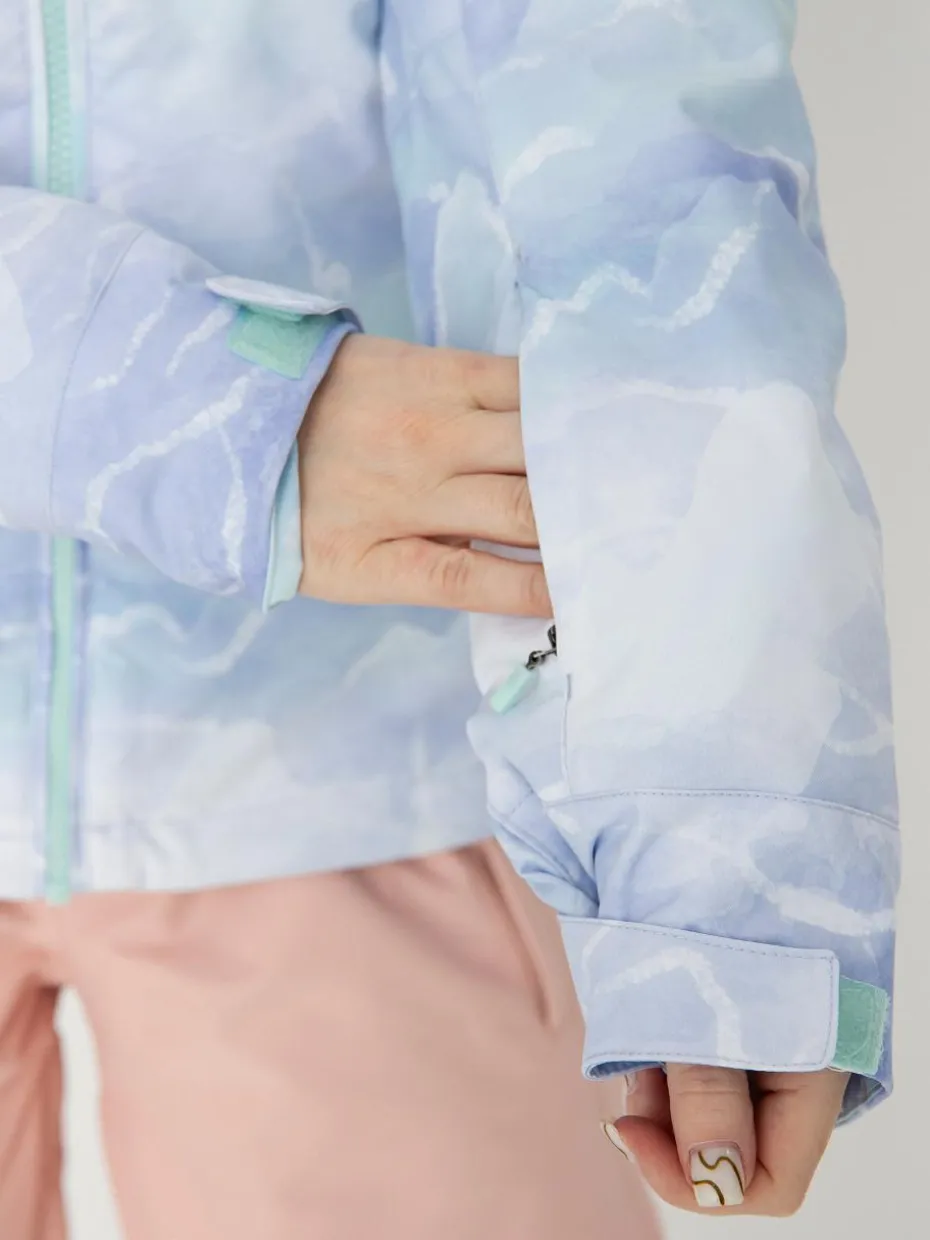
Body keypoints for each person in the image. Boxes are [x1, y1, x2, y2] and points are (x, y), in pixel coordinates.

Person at [0, 0, 898, 1236]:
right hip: (348, 667)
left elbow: (636, 133)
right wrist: (195, 408)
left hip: (354, 776)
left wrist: (715, 824)